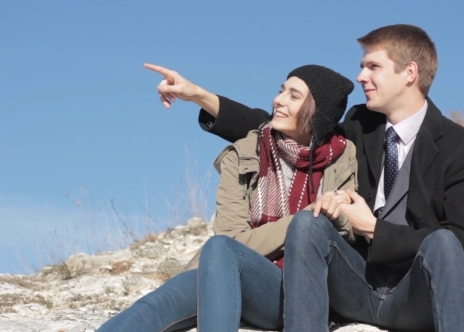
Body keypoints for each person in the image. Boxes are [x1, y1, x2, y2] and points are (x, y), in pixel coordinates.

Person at [195, 24, 464, 332]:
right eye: (362, 67)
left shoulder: (463, 148)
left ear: (409, 73)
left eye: (373, 66)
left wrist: (373, 228)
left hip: (416, 294)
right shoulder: (360, 123)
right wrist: (202, 98)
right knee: (307, 222)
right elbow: (294, 128)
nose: (361, 77)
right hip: (357, 282)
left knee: (445, 242)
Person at [97, 64, 356, 331]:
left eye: (293, 96)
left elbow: (344, 232)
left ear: (318, 112)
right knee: (158, 303)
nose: (277, 100)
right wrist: (306, 218)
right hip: (232, 271)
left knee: (220, 251)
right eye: (281, 91)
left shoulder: (344, 158)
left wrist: (324, 221)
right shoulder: (244, 154)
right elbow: (232, 241)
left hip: (296, 292)